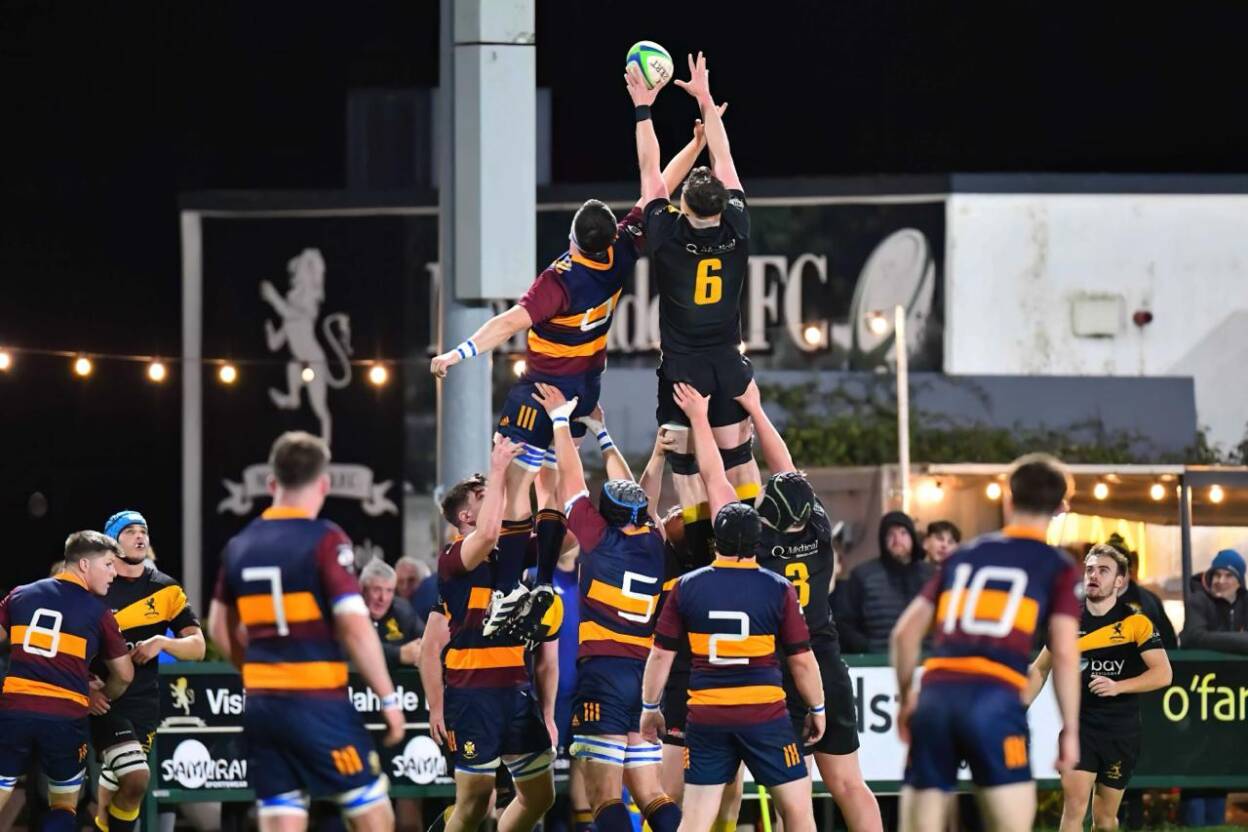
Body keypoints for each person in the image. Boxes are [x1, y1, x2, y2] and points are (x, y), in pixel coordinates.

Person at [430, 107, 714, 641]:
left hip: (542, 387)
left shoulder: (559, 281)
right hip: (585, 389)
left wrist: (457, 354)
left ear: (575, 240)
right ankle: (540, 581)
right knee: (552, 482)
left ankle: (510, 588)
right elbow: (657, 188)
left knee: (516, 480)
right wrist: (697, 145)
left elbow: (507, 324)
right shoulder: (622, 252)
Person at [640, 383, 824, 832]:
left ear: (715, 538)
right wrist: (818, 707)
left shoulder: (689, 586)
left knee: (695, 817)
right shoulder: (780, 580)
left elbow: (660, 655)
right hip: (765, 709)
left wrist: (649, 706)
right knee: (797, 812)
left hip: (707, 712)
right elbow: (802, 661)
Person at [207, 431, 404, 832]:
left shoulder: (240, 545)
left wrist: (258, 674)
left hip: (262, 707)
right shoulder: (325, 539)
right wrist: (387, 697)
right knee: (375, 817)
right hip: (317, 705)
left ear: (272, 483)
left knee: (282, 817)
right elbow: (354, 626)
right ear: (324, 484)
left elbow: (217, 628)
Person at [890, 453, 1084, 832]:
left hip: (937, 697)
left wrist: (906, 696)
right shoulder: (1057, 566)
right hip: (996, 698)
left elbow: (904, 634)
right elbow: (1063, 652)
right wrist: (1071, 731)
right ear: (1061, 507)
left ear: (1008, 500)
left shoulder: (964, 555)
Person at [530, 384, 681, 832]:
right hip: (644, 676)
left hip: (604, 674)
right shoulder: (654, 540)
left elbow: (571, 480)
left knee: (603, 798)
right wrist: (602, 433)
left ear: (605, 515)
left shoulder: (598, 539)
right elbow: (638, 493)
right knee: (651, 794)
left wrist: (560, 420)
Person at [734, 382, 882, 831]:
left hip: (782, 666)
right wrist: (757, 410)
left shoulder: (757, 544)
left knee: (795, 801)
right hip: (827, 660)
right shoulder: (818, 531)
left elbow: (725, 485)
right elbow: (786, 469)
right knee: (851, 785)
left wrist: (715, 426)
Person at [627, 53, 761, 535]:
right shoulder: (737, 225)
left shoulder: (665, 232)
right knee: (739, 459)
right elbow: (724, 159)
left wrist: (644, 107)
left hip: (683, 367)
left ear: (682, 205)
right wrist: (705, 98)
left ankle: (699, 553)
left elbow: (651, 168)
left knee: (688, 469)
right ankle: (751, 545)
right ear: (722, 204)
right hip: (727, 360)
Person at [434, 439, 559, 832]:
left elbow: (563, 540)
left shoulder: (509, 553)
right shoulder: (453, 557)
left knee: (540, 796)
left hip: (515, 690)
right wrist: (500, 468)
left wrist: (549, 466)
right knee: (473, 804)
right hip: (473, 693)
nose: (495, 496)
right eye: (483, 496)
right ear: (466, 516)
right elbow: (488, 534)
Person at [1026, 544, 1172, 832]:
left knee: (1105, 820)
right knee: (1074, 808)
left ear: (1120, 580)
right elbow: (1040, 668)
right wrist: (1018, 708)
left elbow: (1163, 674)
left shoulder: (1136, 624)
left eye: (1103, 570)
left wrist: (1118, 686)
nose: (1093, 575)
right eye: (1090, 569)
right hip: (1080, 728)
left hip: (1121, 732)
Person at [0, 531, 135, 832]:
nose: (114, 573)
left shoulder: (20, 594)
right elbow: (125, 674)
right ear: (84, 565)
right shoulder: (99, 612)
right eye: (108, 564)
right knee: (63, 803)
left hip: (14, 712)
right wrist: (101, 698)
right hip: (64, 718)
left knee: (3, 784)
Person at [88, 510, 205, 832]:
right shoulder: (94, 585)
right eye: (129, 531)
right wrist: (85, 685)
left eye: (143, 531)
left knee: (127, 789)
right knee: (137, 776)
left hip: (143, 703)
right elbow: (68, 642)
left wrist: (162, 643)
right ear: (111, 541)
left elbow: (198, 648)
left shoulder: (165, 589)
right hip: (101, 701)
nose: (139, 536)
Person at [836, 512, 930, 654]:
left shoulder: (931, 575)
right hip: (878, 661)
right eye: (891, 534)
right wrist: (866, 648)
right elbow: (844, 622)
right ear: (883, 540)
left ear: (912, 537)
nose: (897, 540)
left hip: (925, 658)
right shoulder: (863, 575)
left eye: (903, 533)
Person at [1180, 548, 1247, 654]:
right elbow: (1194, 637)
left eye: (1229, 575)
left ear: (1239, 582)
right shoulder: (1199, 600)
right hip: (1202, 664)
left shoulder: (1245, 602)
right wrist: (1242, 640)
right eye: (1217, 575)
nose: (1221, 581)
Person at [359, 560, 423, 670]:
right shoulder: (351, 613)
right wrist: (399, 654)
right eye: (376, 590)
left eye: (389, 591)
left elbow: (426, 640)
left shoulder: (402, 610)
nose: (383, 598)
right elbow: (353, 647)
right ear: (363, 590)